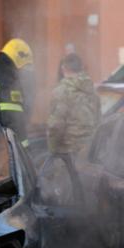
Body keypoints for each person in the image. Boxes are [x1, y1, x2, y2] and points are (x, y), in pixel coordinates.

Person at [40, 53, 100, 200]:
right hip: (89, 154)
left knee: (65, 198)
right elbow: (99, 120)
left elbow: (55, 126)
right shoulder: (92, 91)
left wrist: (53, 151)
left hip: (68, 156)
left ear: (63, 68)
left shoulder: (62, 91)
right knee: (86, 196)